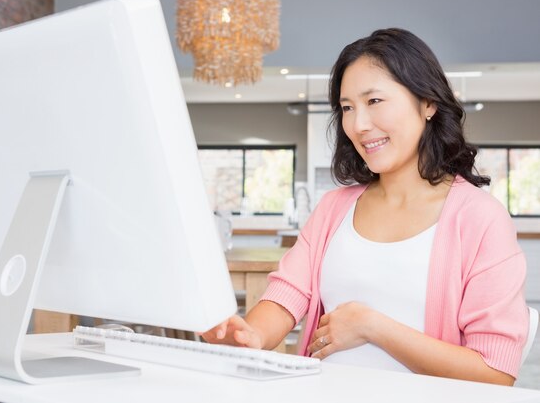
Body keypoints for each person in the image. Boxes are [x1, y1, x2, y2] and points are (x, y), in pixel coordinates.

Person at [202, 28, 528, 386]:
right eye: (347, 108)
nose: (358, 125)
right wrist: (252, 337)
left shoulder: (480, 218)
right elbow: (288, 293)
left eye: (374, 102)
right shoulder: (333, 209)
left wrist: (372, 327)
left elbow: (495, 373)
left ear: (428, 103)